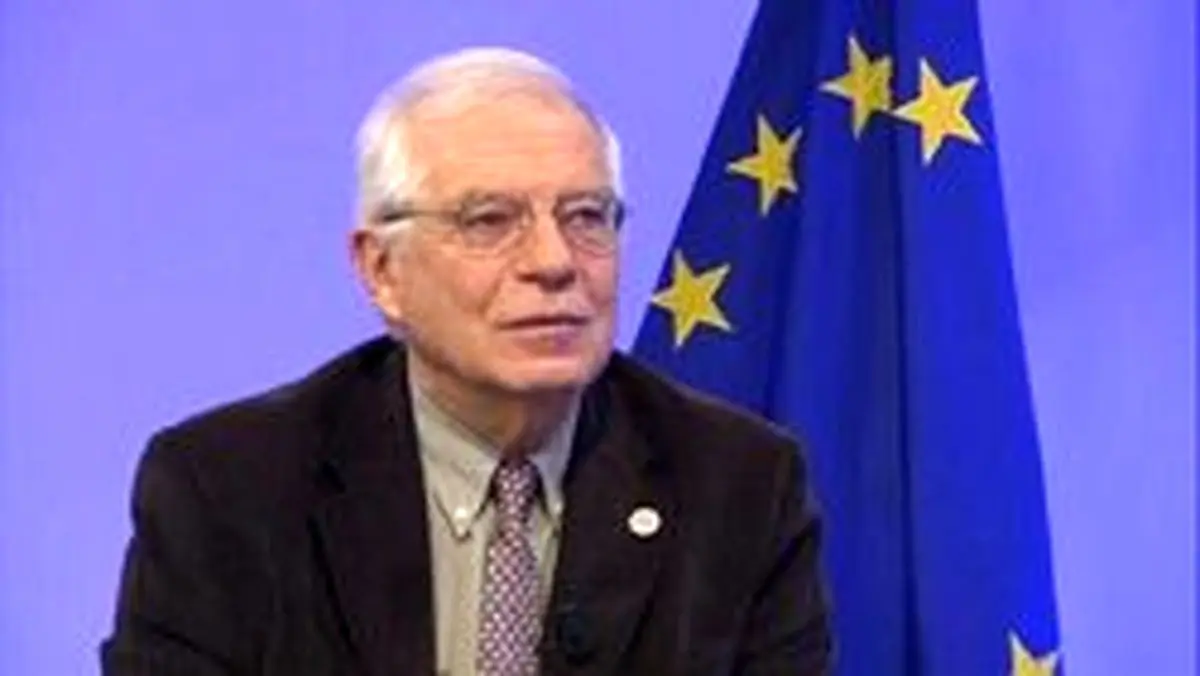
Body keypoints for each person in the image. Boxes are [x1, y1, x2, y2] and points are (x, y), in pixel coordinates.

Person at [100, 46, 833, 675]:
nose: (554, 262)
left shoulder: (739, 485)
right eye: (489, 221)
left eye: (586, 216)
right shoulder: (228, 489)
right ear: (381, 270)